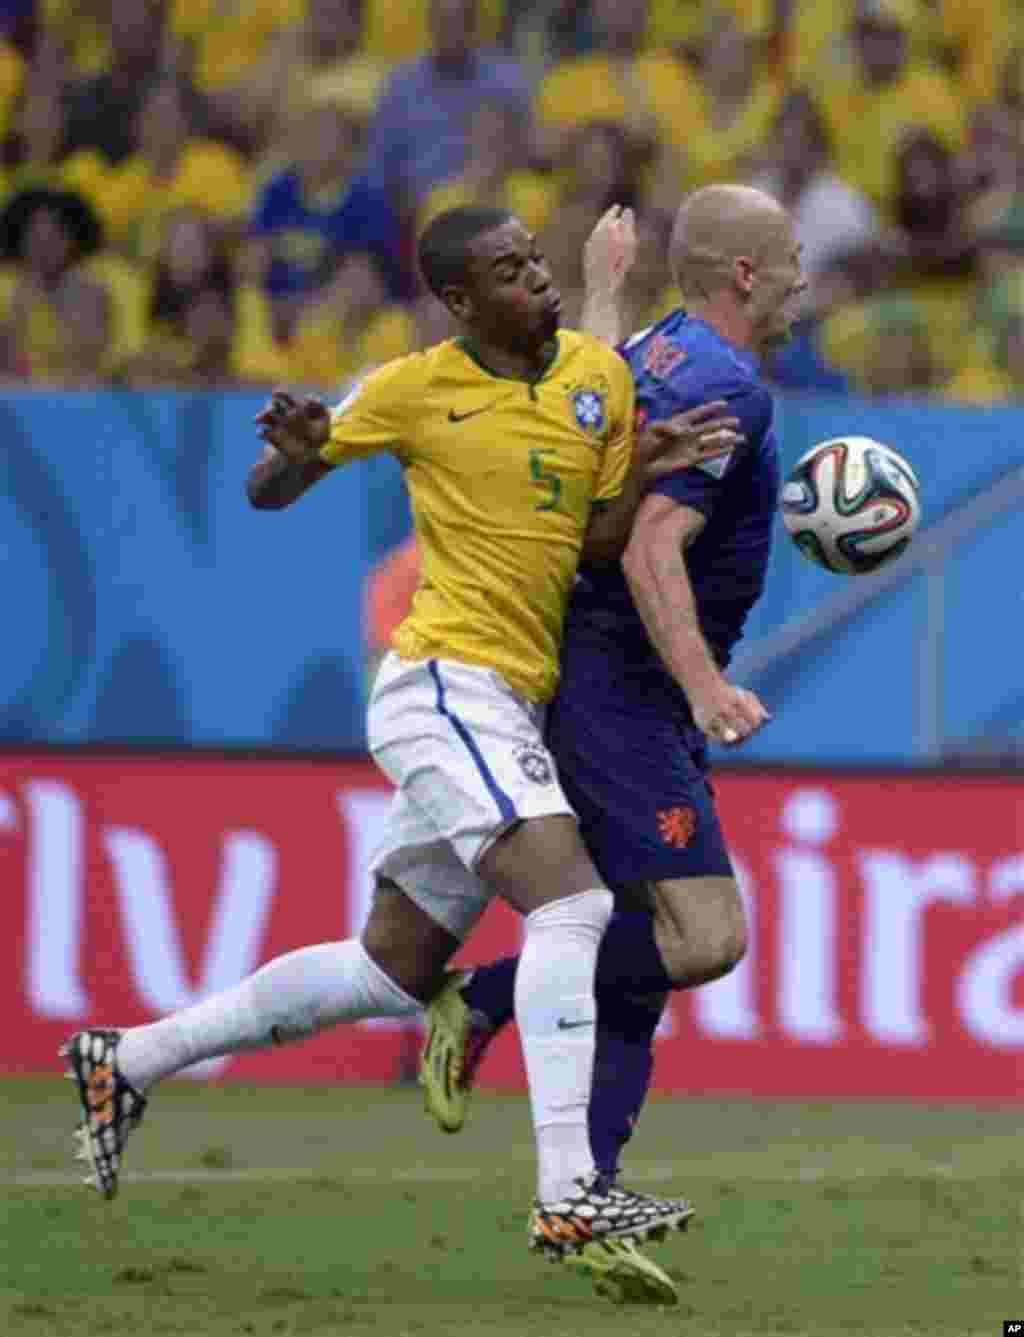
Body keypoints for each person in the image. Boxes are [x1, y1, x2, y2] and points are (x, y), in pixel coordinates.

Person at [61, 205, 737, 1258]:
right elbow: (272, 486)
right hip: (444, 682)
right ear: (460, 301)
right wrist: (293, 455)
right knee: (574, 906)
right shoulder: (414, 387)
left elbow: (595, 537)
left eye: (534, 258)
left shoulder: (594, 379)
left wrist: (646, 465)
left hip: (510, 698)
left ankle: (130, 1056)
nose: (538, 279)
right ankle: (570, 1193)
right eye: (509, 272)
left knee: (392, 967)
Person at [417, 184, 801, 1301]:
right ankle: (478, 998)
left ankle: (585, 1198)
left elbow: (574, 412)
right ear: (741, 277)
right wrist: (706, 683)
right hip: (621, 692)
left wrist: (596, 289)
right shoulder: (728, 384)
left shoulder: (650, 348)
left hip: (594, 682)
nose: (803, 281)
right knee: (702, 936)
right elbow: (647, 551)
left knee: (637, 948)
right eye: (788, 262)